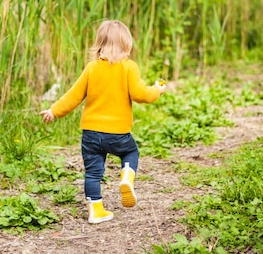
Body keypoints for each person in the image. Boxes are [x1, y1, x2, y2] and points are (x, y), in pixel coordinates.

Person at [39, 20, 167, 224]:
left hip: (91, 133)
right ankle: (126, 176)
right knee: (130, 152)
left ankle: (96, 211)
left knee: (92, 172)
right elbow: (141, 94)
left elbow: (73, 95)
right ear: (127, 46)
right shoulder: (129, 68)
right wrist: (157, 90)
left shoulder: (92, 68)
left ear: (99, 44)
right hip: (118, 132)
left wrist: (54, 111)